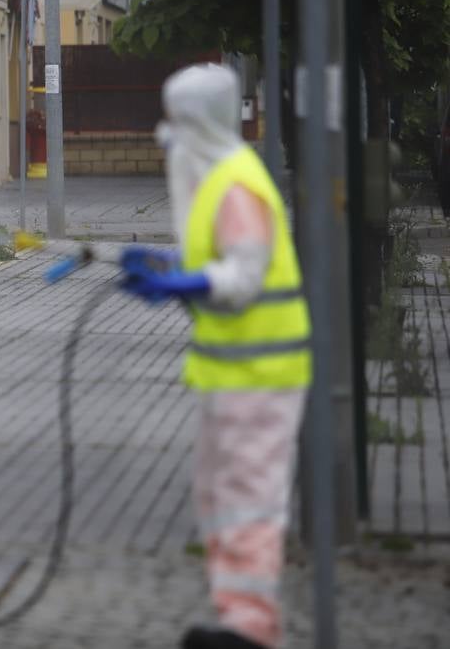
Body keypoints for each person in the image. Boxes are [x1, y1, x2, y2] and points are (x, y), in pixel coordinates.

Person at [117, 64, 311, 649]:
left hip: (263, 370)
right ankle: (236, 614)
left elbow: (244, 276)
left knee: (249, 497)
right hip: (233, 369)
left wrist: (183, 284)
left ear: (198, 121)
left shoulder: (234, 182)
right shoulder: (218, 179)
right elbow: (217, 260)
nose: (168, 131)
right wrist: (171, 268)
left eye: (177, 118)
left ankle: (252, 627)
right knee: (220, 497)